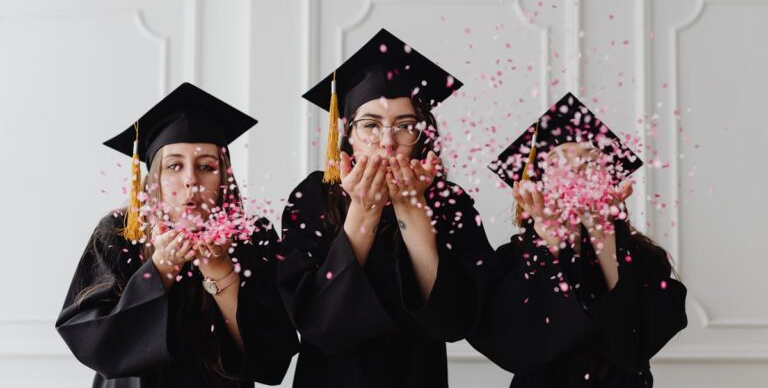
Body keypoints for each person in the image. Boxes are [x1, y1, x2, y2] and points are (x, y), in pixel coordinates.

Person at [277, 29, 495, 388]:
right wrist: (363, 211)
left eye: (405, 126)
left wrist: (413, 211)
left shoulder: (449, 203)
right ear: (346, 133)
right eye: (371, 126)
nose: (388, 142)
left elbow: (454, 321)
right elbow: (316, 322)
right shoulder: (313, 197)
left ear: (422, 135)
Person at [56, 82, 298, 388]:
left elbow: (271, 357)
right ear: (154, 177)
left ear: (225, 176)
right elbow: (96, 344)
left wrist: (220, 270)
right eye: (174, 166)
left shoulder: (251, 235)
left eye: (206, 166)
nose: (191, 181)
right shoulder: (119, 233)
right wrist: (161, 269)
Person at [471, 92, 688, 387]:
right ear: (537, 182)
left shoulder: (644, 256)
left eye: (589, 164)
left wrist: (601, 232)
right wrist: (551, 237)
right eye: (557, 164)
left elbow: (635, 343)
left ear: (608, 178)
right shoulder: (511, 259)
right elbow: (511, 344)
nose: (574, 173)